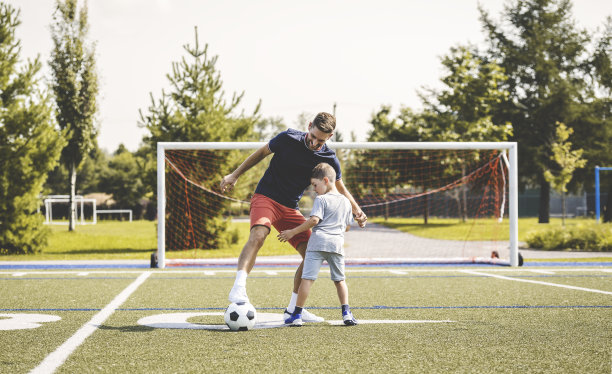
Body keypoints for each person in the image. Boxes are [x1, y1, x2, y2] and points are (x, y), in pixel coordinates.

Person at [219, 112, 366, 323]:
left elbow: (340, 188)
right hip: (266, 197)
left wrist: (357, 210)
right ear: (309, 126)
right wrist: (235, 174)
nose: (315, 143)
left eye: (321, 140)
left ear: (330, 136)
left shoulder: (329, 158)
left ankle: (293, 309)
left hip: (290, 208)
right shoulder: (288, 138)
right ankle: (238, 288)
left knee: (312, 253)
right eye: (313, 136)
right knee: (259, 234)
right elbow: (261, 153)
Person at [278, 163, 358, 326]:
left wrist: (292, 232)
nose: (314, 189)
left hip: (317, 244)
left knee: (307, 279)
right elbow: (348, 227)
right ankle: (346, 313)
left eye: (315, 185)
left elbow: (314, 220)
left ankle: (297, 315)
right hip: (336, 245)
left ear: (326, 180)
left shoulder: (321, 199)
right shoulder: (346, 202)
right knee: (340, 280)